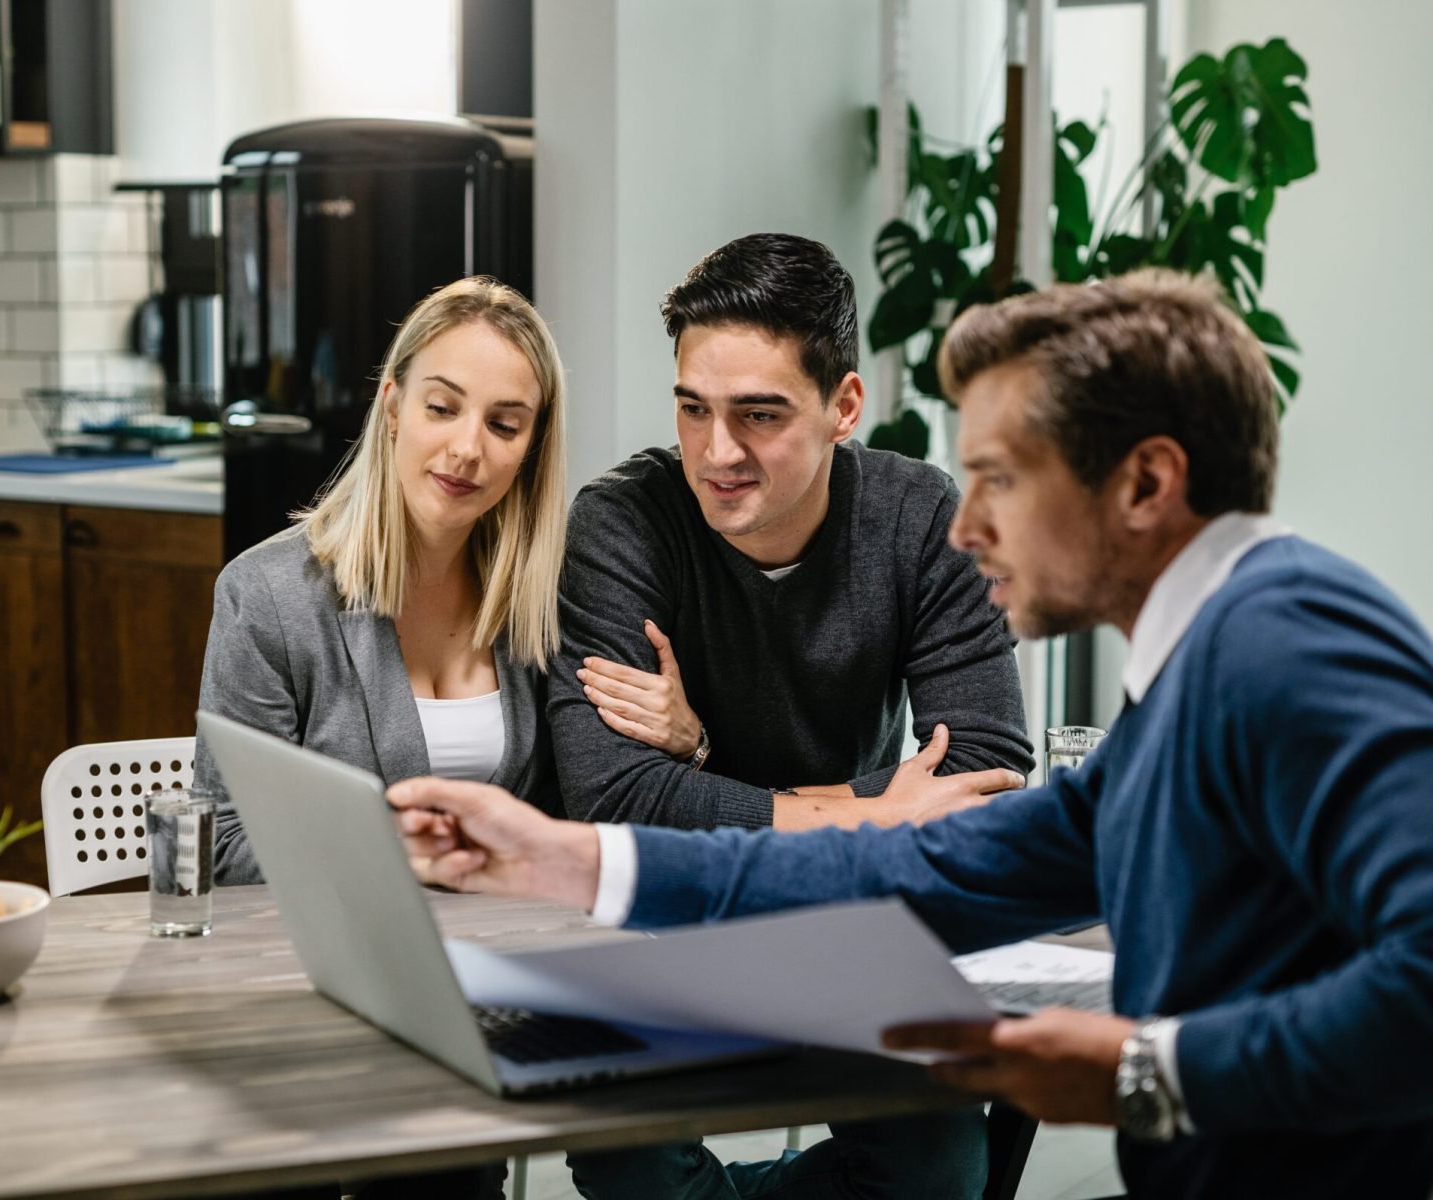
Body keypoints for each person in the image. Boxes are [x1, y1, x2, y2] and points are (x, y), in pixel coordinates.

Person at [388, 270, 1433, 1200]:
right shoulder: (1201, 670)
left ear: (1147, 484)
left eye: (1002, 478)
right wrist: (563, 856)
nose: (966, 525)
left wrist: (1144, 1070)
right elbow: (919, 871)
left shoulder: (1285, 639)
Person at [549, 233, 1033, 1198]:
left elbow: (984, 774)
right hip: (662, 924)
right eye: (693, 409)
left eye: (758, 415)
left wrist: (699, 765)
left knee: (939, 1166)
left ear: (843, 407)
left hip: (848, 918)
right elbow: (610, 797)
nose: (717, 452)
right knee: (630, 1164)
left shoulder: (921, 519)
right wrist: (869, 814)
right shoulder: (624, 522)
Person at [193, 276, 687, 1200]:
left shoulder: (539, 606)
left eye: (505, 424)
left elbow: (584, 798)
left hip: (480, 999)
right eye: (442, 407)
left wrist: (687, 736)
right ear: (392, 406)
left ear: (531, 446)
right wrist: (412, 850)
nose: (467, 448)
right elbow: (223, 841)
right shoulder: (267, 598)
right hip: (309, 999)